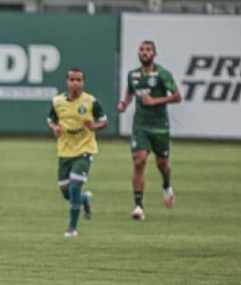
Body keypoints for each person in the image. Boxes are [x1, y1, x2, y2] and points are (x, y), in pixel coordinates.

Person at [117, 40, 182, 220]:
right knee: (139, 161)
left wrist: (155, 101)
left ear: (154, 53)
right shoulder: (133, 75)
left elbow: (177, 96)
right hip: (141, 126)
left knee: (162, 165)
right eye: (142, 50)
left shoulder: (162, 74)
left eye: (148, 50)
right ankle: (138, 206)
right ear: (138, 53)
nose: (145, 53)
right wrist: (124, 103)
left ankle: (166, 185)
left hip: (160, 127)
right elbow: (130, 92)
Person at [47, 68, 108, 237]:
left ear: (83, 82)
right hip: (65, 150)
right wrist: (55, 128)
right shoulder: (57, 102)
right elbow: (50, 119)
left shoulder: (90, 101)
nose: (75, 83)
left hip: (85, 148)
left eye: (79, 79)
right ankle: (84, 199)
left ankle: (72, 228)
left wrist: (93, 126)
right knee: (67, 193)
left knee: (74, 186)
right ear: (67, 81)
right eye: (72, 79)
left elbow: (104, 121)